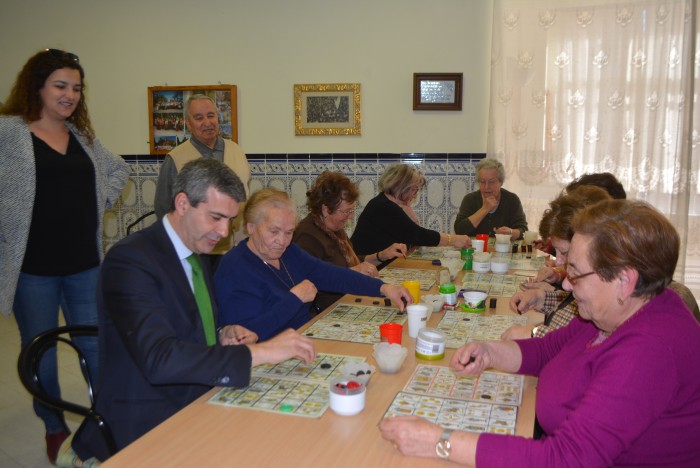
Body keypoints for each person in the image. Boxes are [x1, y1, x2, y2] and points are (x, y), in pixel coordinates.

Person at [380, 199, 700, 467]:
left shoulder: (648, 350)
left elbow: (566, 459)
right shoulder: (618, 312)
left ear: (624, 281)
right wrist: (492, 352)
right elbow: (550, 350)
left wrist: (439, 440)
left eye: (575, 271)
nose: (565, 282)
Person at [69, 159, 316, 462]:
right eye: (215, 217)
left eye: (230, 220)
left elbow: (185, 327)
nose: (224, 232)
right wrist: (262, 352)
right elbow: (159, 358)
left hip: (199, 393)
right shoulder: (130, 260)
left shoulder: (197, 253)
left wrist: (221, 333)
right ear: (183, 203)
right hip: (148, 416)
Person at [0, 48, 129, 464]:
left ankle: (101, 419)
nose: (70, 94)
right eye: (60, 85)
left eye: (76, 87)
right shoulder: (9, 133)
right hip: (31, 270)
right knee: (42, 351)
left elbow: (119, 171)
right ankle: (54, 425)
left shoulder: (82, 137)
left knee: (95, 345)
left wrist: (101, 198)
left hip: (83, 266)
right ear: (37, 86)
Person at [215, 187, 414, 341]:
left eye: (289, 232)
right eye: (274, 231)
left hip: (307, 336)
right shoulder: (234, 268)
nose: (282, 241)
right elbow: (246, 336)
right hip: (271, 354)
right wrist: (294, 299)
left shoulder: (289, 251)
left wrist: (384, 288)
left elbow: (330, 275)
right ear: (251, 227)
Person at [154, 94, 251, 267]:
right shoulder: (175, 159)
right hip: (198, 253)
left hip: (239, 249)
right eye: (199, 118)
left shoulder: (237, 151)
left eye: (211, 115)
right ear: (188, 123)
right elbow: (163, 208)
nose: (207, 122)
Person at [502, 186, 612, 339]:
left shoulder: (606, 288)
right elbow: (571, 307)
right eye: (556, 252)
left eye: (565, 253)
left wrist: (535, 334)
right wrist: (542, 298)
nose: (558, 261)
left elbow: (577, 341)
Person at [293, 171, 408, 311]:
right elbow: (310, 281)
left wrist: (382, 255)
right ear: (325, 209)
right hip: (326, 310)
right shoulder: (308, 236)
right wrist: (353, 271)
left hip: (348, 299)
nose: (349, 216)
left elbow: (355, 261)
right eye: (346, 211)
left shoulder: (334, 229)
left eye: (351, 210)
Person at [350, 163, 470, 256]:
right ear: (402, 187)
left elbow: (411, 235)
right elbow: (418, 235)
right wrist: (452, 239)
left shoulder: (388, 203)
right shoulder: (383, 207)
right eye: (414, 189)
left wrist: (408, 210)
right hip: (365, 266)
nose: (415, 194)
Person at [454, 157, 528, 239]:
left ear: (501, 182)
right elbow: (459, 230)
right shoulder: (470, 200)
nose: (486, 187)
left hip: (503, 250)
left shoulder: (512, 200)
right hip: (474, 250)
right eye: (482, 181)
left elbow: (524, 231)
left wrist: (511, 232)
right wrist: (484, 209)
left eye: (491, 182)